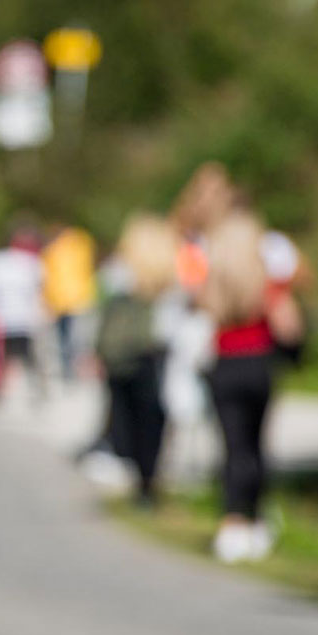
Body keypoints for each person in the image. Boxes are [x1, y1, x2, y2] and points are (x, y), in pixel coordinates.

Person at [198, 211, 305, 562]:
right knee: (256, 446)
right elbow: (288, 324)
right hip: (258, 363)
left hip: (224, 364)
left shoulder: (212, 282)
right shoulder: (265, 283)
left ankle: (233, 520)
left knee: (232, 446)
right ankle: (255, 518)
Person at [91, 214, 177, 503]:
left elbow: (102, 311)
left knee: (125, 416)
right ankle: (148, 480)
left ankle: (137, 476)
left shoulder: (119, 273)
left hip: (123, 356)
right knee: (152, 419)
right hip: (155, 353)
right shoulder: (171, 276)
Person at [0, 225, 47, 402]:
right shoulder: (31, 263)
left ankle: (2, 390)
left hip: (8, 318)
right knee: (17, 357)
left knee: (14, 357)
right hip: (16, 318)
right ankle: (4, 389)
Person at [41, 224, 97, 381]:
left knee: (72, 339)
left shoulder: (55, 250)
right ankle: (72, 370)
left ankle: (74, 370)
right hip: (69, 300)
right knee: (71, 339)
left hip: (72, 300)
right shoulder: (76, 246)